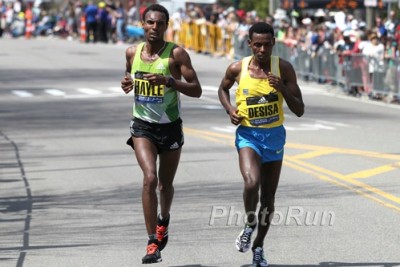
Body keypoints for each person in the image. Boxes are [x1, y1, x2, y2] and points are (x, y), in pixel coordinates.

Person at [120, 4, 202, 264]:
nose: (155, 28)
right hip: (142, 126)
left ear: (167, 26)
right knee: (149, 179)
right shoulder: (132, 52)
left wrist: (169, 82)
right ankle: (151, 242)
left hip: (170, 127)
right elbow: (127, 76)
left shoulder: (176, 55)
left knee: (165, 185)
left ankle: (163, 220)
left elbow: (196, 89)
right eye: (150, 23)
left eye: (160, 24)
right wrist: (125, 83)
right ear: (143, 24)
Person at [217, 22, 304, 267]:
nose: (262, 50)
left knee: (268, 197)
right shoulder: (237, 68)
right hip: (248, 135)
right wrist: (229, 109)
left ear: (274, 43)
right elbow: (222, 89)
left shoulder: (284, 69)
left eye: (267, 44)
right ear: (250, 44)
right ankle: (249, 223)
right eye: (257, 45)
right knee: (251, 182)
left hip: (274, 136)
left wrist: (283, 89)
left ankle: (258, 246)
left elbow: (300, 110)